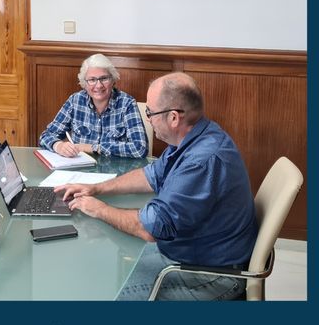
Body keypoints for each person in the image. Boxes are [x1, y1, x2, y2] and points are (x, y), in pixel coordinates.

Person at [55, 72, 258, 301]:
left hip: (211, 274)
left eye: (150, 113)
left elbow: (149, 229)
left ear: (173, 117)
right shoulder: (195, 136)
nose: (148, 119)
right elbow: (150, 175)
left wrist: (98, 209)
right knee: (103, 270)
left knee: (107, 294)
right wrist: (97, 188)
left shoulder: (201, 160)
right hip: (191, 250)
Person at [39, 53, 148, 159]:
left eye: (104, 78)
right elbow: (46, 135)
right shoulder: (75, 101)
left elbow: (140, 148)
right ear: (84, 84)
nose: (99, 85)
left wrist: (93, 148)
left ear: (113, 80)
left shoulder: (127, 103)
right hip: (81, 168)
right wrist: (58, 146)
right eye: (92, 80)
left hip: (116, 169)